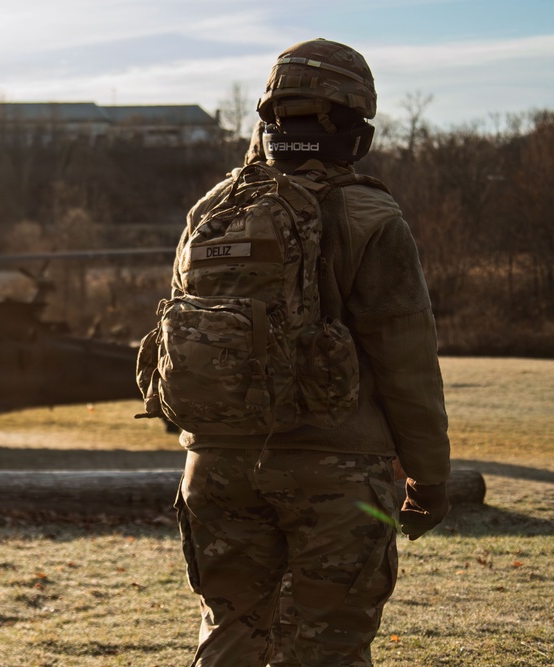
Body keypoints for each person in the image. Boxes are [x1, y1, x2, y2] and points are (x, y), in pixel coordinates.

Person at [172, 39, 451, 666]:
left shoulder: (212, 210)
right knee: (328, 647)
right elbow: (407, 362)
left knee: (230, 635)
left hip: (216, 466)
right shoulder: (371, 215)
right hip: (338, 471)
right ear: (354, 125)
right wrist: (429, 477)